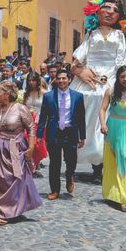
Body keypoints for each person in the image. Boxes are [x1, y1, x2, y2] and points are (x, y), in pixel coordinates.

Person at [71, 0, 126, 180]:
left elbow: (122, 60)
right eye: (106, 7)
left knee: (109, 117)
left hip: (112, 78)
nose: (110, 11)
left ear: (119, 16)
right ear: (97, 11)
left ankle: (102, 164)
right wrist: (82, 72)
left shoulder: (119, 36)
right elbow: (77, 61)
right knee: (84, 113)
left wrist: (116, 81)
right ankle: (82, 156)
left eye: (114, 9)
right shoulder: (91, 34)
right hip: (90, 78)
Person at [0, 81, 42, 224]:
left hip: (14, 148)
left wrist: (30, 148)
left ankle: (8, 211)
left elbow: (30, 128)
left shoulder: (20, 108)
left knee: (11, 178)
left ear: (7, 94)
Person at [37, 69, 86, 200]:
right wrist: (39, 134)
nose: (61, 81)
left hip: (71, 132)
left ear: (69, 79)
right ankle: (55, 190)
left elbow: (81, 118)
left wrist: (82, 136)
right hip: (54, 132)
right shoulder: (48, 96)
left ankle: (70, 175)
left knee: (71, 161)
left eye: (64, 78)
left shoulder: (78, 96)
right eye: (59, 78)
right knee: (54, 163)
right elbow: (43, 116)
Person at [99, 66, 126, 212]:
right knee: (115, 161)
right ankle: (117, 196)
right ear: (118, 77)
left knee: (124, 158)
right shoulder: (111, 91)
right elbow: (102, 109)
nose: (125, 79)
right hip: (113, 128)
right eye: (122, 76)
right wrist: (103, 124)